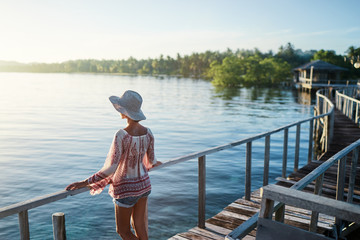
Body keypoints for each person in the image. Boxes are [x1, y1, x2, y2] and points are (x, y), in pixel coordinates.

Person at [66, 90, 161, 240]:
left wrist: (85, 182)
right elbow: (152, 161)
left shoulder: (121, 135)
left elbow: (111, 168)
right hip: (144, 185)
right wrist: (154, 163)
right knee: (140, 227)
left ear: (124, 112)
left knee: (123, 231)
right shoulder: (148, 132)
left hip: (126, 188)